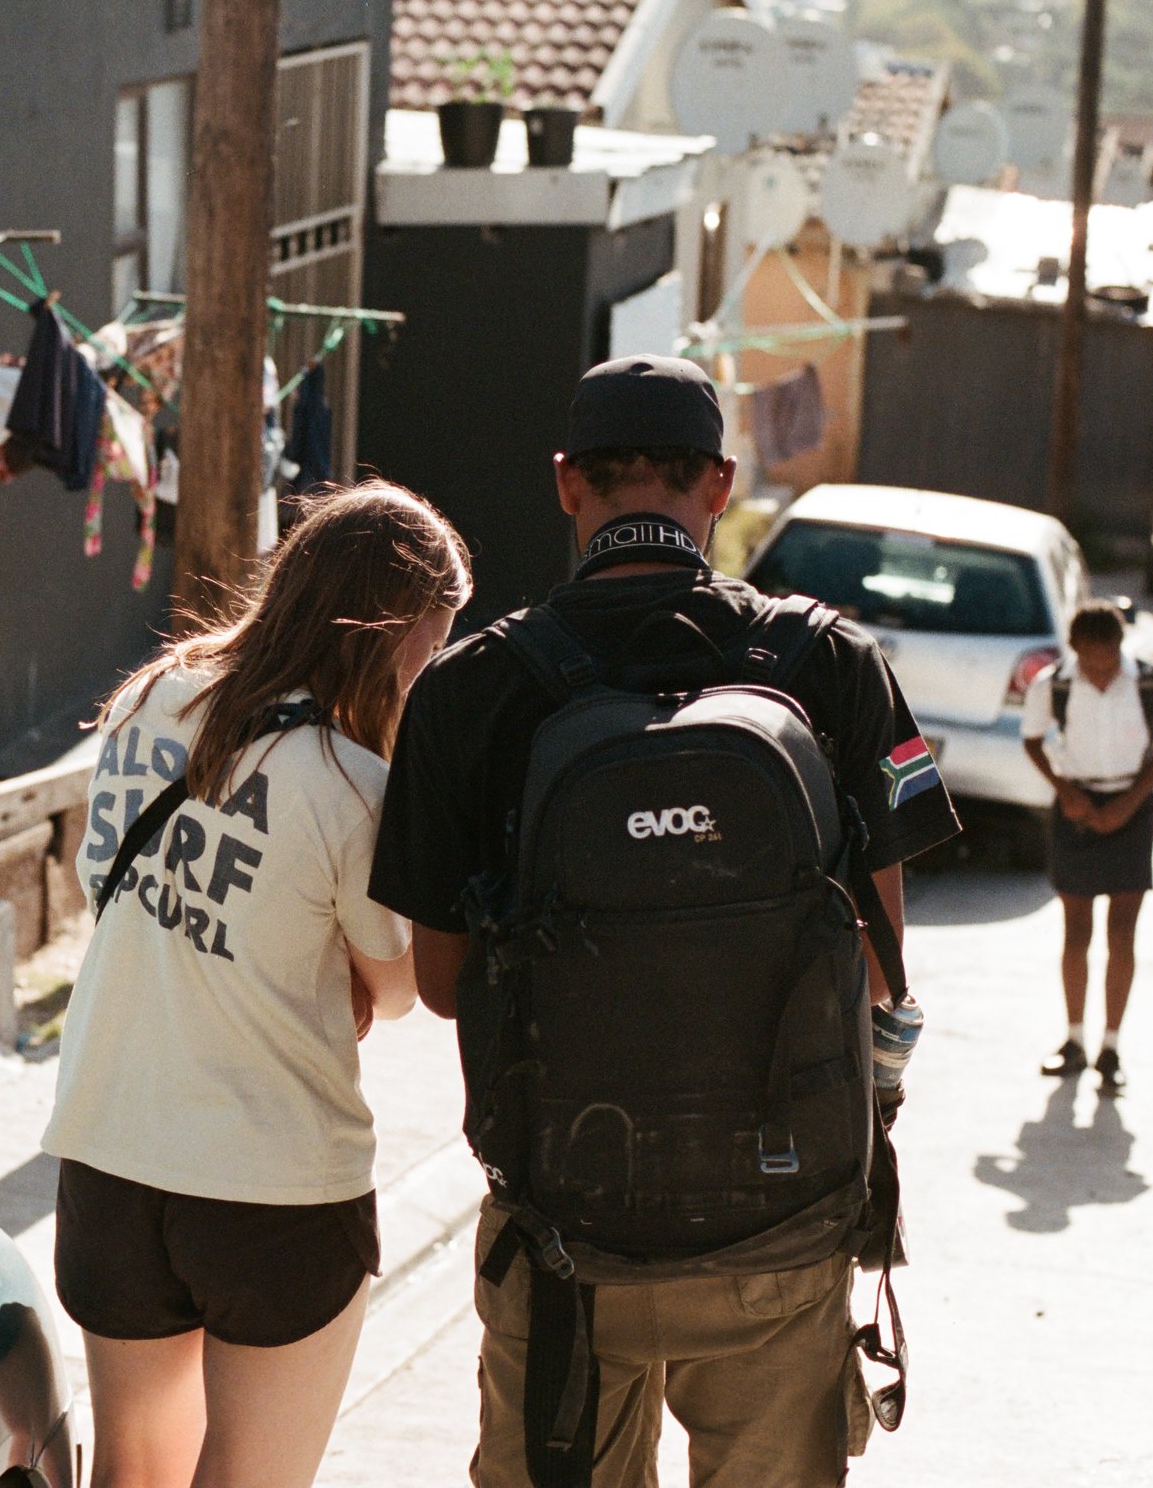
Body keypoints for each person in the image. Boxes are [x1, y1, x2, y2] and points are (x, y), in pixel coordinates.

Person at [370, 357, 959, 1488]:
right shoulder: (830, 662)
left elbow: (441, 983)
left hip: (561, 1237)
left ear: (564, 484)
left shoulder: (470, 687)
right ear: (721, 484)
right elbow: (885, 970)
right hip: (779, 1231)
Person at [45, 480, 471, 1488]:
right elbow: (399, 986)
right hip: (274, 1191)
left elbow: (98, 882)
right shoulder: (351, 780)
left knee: (130, 1476)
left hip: (109, 1157)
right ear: (385, 630)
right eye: (432, 641)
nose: (430, 670)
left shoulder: (151, 695)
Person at [1019, 602, 1153, 1094]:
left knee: (1123, 932)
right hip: (1076, 805)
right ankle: (1073, 1040)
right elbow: (1031, 740)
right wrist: (1066, 792)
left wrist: (1129, 804)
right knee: (1076, 932)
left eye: (1108, 658)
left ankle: (1111, 1046)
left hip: (1131, 804)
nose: (1101, 669)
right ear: (1075, 651)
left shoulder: (1151, 683)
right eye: (1090, 660)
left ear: (1120, 646)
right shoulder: (1054, 684)